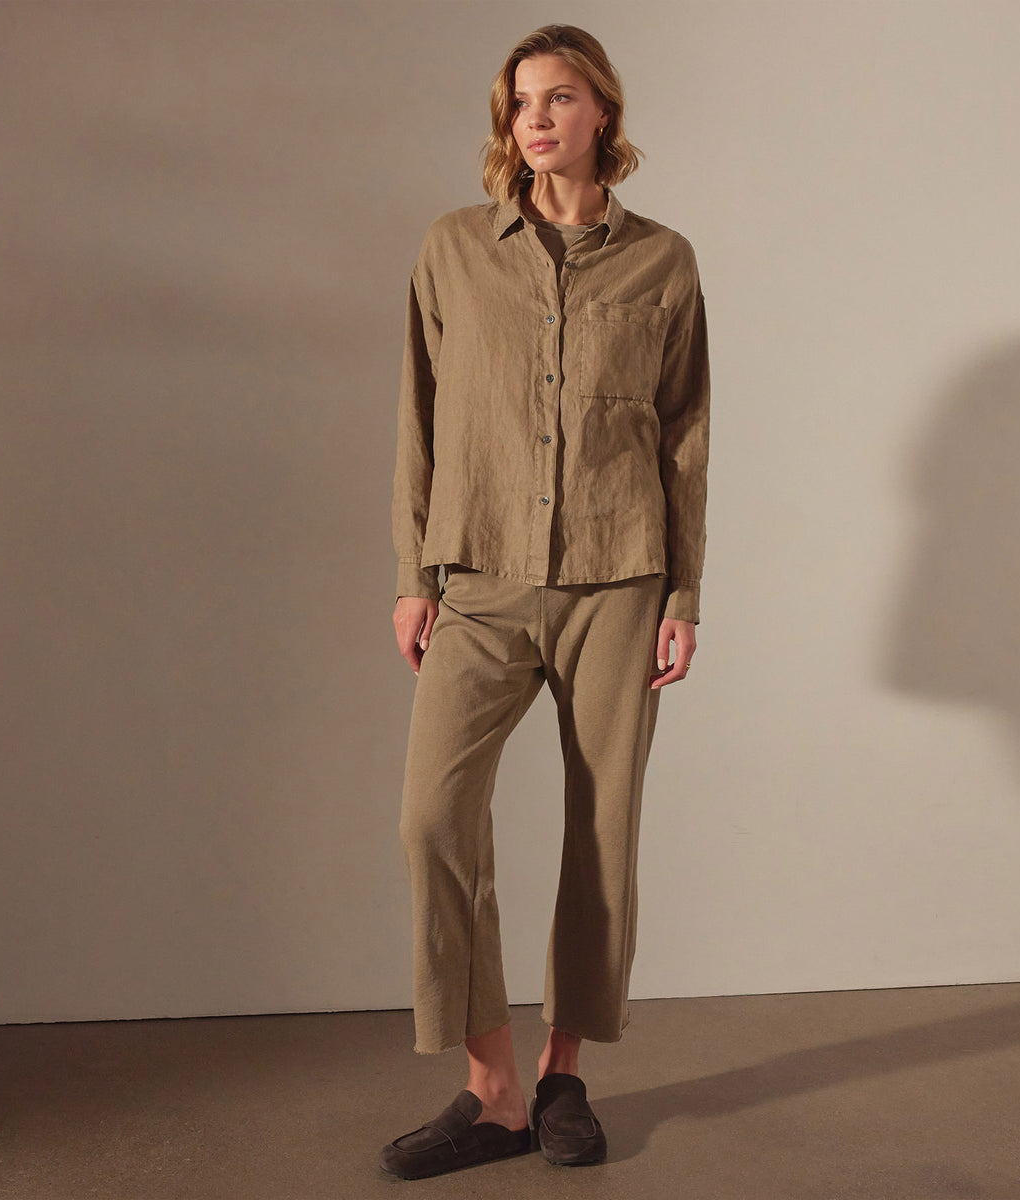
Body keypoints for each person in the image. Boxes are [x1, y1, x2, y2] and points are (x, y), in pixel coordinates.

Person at [380, 23, 710, 1180]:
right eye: (522, 100)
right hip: (479, 575)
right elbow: (419, 417)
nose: (537, 118)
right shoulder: (454, 249)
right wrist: (414, 576)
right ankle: (494, 1091)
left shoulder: (663, 263)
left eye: (560, 97)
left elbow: (683, 439)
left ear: (601, 112)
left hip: (620, 574)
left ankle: (564, 1074)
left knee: (602, 830)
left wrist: (684, 591)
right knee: (433, 818)